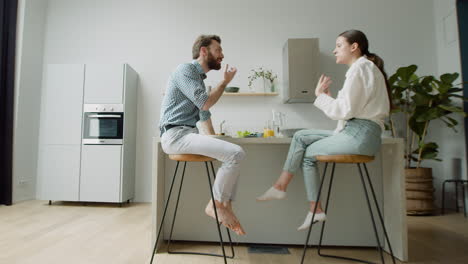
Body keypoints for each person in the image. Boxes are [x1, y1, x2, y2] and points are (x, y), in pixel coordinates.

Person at [256, 29, 391, 231]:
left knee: (309, 154)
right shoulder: (365, 68)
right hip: (358, 133)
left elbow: (343, 111)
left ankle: (312, 207)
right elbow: (347, 111)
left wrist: (320, 95)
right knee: (301, 137)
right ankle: (282, 188)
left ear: (354, 47)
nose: (335, 51)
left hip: (360, 135)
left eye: (339, 46)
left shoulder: (359, 68)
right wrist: (327, 98)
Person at [159, 35, 246, 235]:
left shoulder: (197, 78)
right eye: (218, 50)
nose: (222, 55)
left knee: (232, 154)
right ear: (204, 51)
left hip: (185, 135)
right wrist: (224, 83)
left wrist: (215, 139)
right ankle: (216, 205)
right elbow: (205, 103)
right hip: (175, 135)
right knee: (236, 154)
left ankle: (225, 205)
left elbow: (204, 114)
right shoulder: (185, 70)